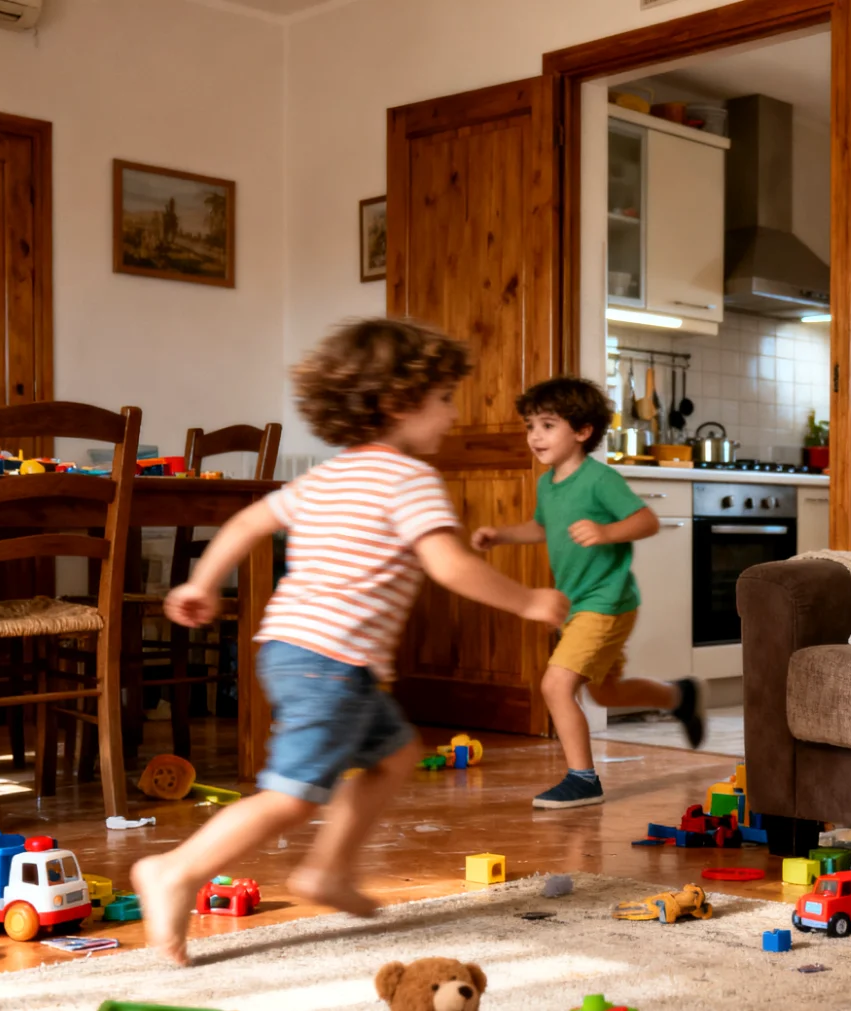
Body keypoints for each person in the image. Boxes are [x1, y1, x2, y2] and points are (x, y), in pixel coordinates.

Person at [131, 319, 569, 966]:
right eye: (444, 397)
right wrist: (530, 600)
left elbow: (248, 518)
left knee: (395, 756)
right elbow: (448, 565)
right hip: (329, 662)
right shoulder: (409, 479)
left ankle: (330, 869)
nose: (453, 413)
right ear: (398, 403)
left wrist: (203, 579)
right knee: (291, 793)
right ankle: (174, 870)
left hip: (300, 651)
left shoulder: (329, 476)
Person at [473, 378, 708, 809]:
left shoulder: (600, 479)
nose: (534, 436)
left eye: (547, 425)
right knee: (605, 693)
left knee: (556, 686)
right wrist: (501, 535)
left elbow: (646, 522)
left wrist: (605, 532)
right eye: (530, 426)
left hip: (606, 601)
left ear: (582, 431)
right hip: (577, 604)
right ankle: (680, 697)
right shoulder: (549, 484)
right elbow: (543, 527)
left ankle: (583, 778)